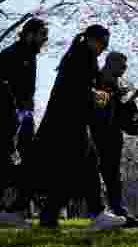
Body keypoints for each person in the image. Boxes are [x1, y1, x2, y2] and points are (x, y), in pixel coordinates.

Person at [31, 24, 126, 231]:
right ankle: (97, 213)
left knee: (67, 170)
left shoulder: (78, 54)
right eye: (103, 43)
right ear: (93, 40)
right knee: (89, 162)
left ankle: (49, 217)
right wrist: (106, 96)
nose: (104, 48)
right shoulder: (84, 56)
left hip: (63, 119)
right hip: (69, 120)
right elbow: (81, 90)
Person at [0, 17, 48, 228]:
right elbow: (1, 88)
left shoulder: (29, 54)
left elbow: (25, 91)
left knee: (33, 160)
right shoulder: (11, 54)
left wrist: (26, 113)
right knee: (6, 163)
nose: (45, 39)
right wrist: (16, 114)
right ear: (30, 34)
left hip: (23, 115)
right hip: (6, 115)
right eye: (42, 35)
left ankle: (11, 212)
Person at [91, 52, 138, 228]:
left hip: (114, 135)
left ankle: (120, 215)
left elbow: (119, 108)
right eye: (122, 65)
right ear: (110, 63)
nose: (125, 68)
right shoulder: (97, 80)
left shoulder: (117, 84)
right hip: (97, 134)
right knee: (93, 174)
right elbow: (98, 105)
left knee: (114, 176)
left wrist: (128, 100)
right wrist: (120, 97)